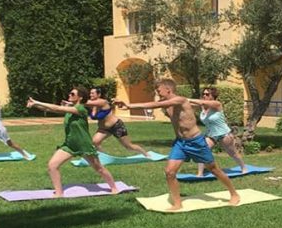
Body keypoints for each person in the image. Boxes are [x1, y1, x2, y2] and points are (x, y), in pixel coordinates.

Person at [115, 78, 240, 211]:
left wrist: (129, 106)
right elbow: (155, 104)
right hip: (180, 142)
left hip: (196, 141)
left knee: (214, 169)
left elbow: (153, 105)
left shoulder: (180, 100)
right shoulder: (166, 103)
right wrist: (128, 106)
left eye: (159, 90)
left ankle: (234, 194)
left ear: (168, 89)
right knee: (169, 172)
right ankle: (177, 203)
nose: (157, 93)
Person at [27, 87, 118, 196]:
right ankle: (59, 193)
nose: (69, 95)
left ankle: (114, 188)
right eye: (69, 93)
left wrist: (37, 102)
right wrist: (35, 105)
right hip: (70, 145)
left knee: (99, 169)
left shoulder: (80, 109)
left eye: (72, 94)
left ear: (80, 97)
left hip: (83, 145)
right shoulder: (71, 108)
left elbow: (57, 107)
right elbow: (52, 109)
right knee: (52, 166)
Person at [188, 86, 247, 177]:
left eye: (207, 94)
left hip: (224, 134)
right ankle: (200, 174)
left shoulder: (217, 104)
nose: (204, 96)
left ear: (213, 96)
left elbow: (200, 102)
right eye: (203, 94)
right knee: (202, 150)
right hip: (211, 134)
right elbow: (187, 104)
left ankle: (244, 168)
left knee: (232, 153)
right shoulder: (203, 106)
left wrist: (187, 99)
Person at [86, 86, 150, 157]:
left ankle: (146, 154)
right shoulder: (94, 105)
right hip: (104, 129)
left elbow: (86, 103)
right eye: (90, 93)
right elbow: (93, 116)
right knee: (95, 142)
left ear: (99, 94)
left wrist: (78, 99)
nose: (90, 95)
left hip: (116, 126)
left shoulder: (103, 102)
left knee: (128, 146)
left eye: (92, 93)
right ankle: (104, 157)